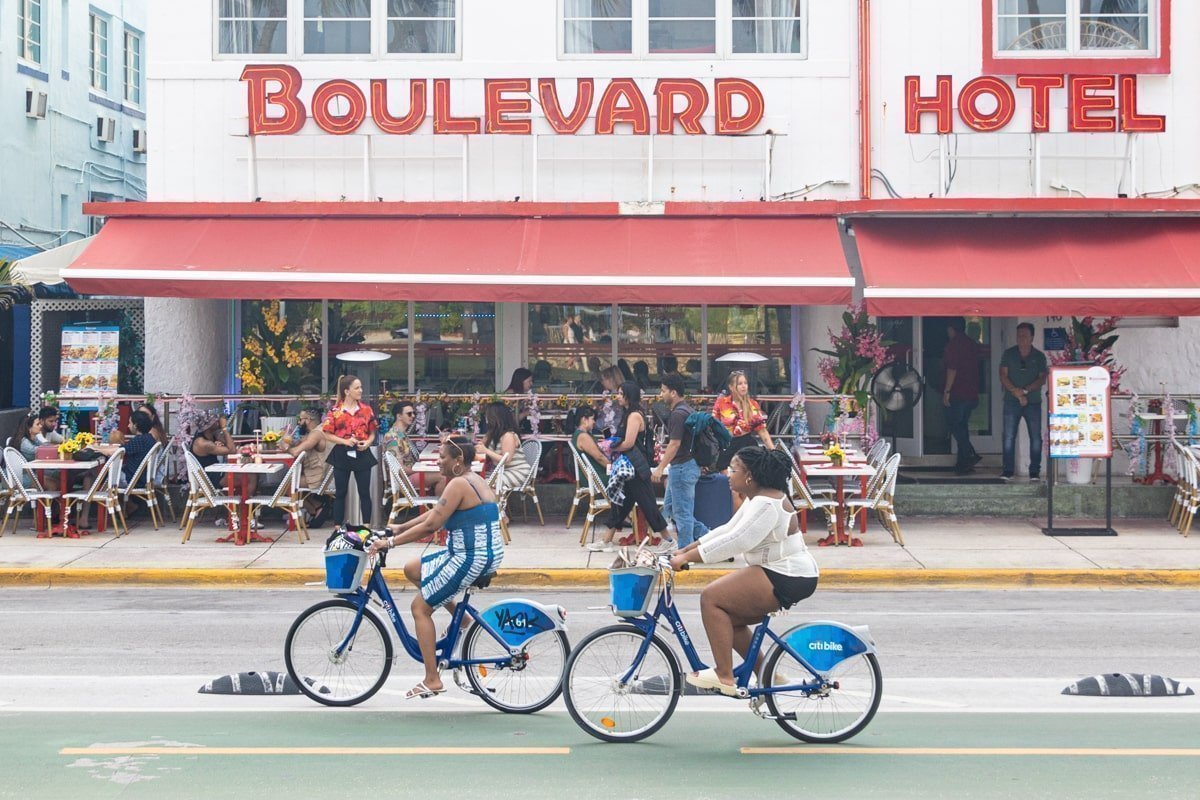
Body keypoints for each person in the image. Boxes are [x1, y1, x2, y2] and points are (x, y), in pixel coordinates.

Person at [670, 448, 818, 696]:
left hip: (788, 574)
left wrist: (688, 558)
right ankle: (768, 674)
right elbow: (728, 529)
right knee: (730, 618)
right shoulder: (757, 498)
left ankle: (724, 675)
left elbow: (737, 541)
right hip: (780, 571)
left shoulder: (766, 503)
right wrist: (685, 550)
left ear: (749, 475)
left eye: (733, 469)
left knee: (711, 598)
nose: (728, 474)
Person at [367, 436, 504, 700]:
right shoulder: (471, 480)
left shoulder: (459, 484)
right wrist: (400, 527)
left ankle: (432, 679)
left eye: (442, 457)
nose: (438, 462)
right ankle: (462, 620)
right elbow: (437, 512)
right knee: (413, 569)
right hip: (475, 553)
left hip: (471, 557)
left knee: (420, 608)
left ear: (458, 460)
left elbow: (432, 525)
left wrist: (390, 543)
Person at [587, 382, 669, 552]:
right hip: (630, 467)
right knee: (620, 503)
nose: (617, 396)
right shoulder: (628, 414)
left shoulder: (634, 416)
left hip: (636, 467)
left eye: (620, 393)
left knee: (648, 505)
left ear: (628, 396)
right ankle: (606, 541)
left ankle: (668, 539)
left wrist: (611, 447)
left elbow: (629, 443)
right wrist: (610, 441)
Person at [652, 374, 704, 549]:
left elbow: (674, 444)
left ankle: (684, 552)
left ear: (673, 393)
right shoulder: (688, 410)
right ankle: (711, 540)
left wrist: (660, 468)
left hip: (682, 467)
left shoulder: (677, 414)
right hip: (686, 466)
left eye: (663, 390)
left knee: (682, 514)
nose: (661, 394)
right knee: (672, 509)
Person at [321, 374, 379, 526]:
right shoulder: (335, 411)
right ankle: (337, 528)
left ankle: (366, 527)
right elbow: (327, 433)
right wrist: (345, 441)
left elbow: (373, 432)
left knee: (364, 492)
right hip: (342, 452)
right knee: (340, 492)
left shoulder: (366, 410)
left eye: (361, 387)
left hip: (362, 452)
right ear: (347, 391)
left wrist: (368, 442)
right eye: (357, 388)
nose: (361, 390)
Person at [999, 322, 1048, 482]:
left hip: (1033, 402)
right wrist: (1016, 392)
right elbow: (1003, 375)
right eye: (1019, 335)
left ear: (1032, 337)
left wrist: (1025, 391)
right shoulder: (1009, 354)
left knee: (1035, 438)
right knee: (1008, 437)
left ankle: (1034, 471)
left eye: (1025, 335)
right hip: (1011, 401)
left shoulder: (1039, 356)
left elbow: (1042, 378)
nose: (1021, 338)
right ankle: (1008, 470)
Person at [942, 317, 984, 475]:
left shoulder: (953, 345)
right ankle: (963, 464)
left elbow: (952, 369)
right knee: (962, 426)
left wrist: (947, 391)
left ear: (951, 329)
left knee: (954, 424)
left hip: (958, 392)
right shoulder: (971, 344)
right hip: (971, 391)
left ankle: (970, 454)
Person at [712, 370, 773, 473]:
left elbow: (762, 431)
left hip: (746, 443)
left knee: (750, 474)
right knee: (725, 474)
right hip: (727, 444)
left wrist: (773, 450)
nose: (744, 386)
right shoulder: (721, 403)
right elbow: (713, 425)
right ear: (731, 387)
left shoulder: (752, 404)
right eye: (740, 384)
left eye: (745, 383)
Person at [285, 407, 331, 526]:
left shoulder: (316, 434)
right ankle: (316, 507)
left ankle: (313, 509)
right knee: (292, 482)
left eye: (301, 419)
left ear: (308, 419)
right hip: (321, 473)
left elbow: (295, 452)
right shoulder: (318, 430)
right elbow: (301, 442)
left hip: (318, 475)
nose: (299, 422)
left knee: (288, 486)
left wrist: (285, 447)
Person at [479, 402, 529, 493]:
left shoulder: (508, 435)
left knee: (484, 484)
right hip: (500, 471)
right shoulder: (491, 434)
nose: (486, 418)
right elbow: (479, 449)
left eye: (487, 415)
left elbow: (506, 460)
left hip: (516, 471)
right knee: (474, 481)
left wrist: (486, 450)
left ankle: (493, 502)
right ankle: (494, 501)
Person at [569, 406, 609, 480]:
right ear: (584, 419)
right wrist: (613, 468)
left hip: (593, 475)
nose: (594, 422)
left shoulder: (581, 434)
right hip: (596, 478)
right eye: (592, 419)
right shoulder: (583, 437)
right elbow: (599, 457)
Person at [119, 410, 157, 487]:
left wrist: (99, 449)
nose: (128, 426)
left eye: (130, 423)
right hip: (143, 477)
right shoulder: (149, 438)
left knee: (110, 473)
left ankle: (104, 494)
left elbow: (118, 451)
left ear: (135, 425)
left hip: (134, 479)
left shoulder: (139, 440)